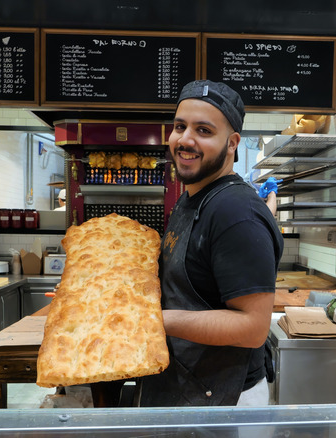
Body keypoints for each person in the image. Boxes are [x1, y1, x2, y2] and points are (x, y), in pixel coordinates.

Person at [137, 80, 284, 407]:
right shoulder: (192, 198)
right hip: (188, 385)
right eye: (180, 127)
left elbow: (253, 328)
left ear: (232, 143)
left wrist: (150, 319)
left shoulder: (236, 212)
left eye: (203, 130)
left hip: (225, 401)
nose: (185, 139)